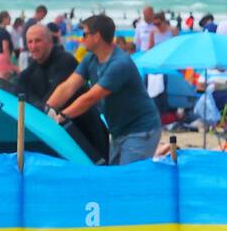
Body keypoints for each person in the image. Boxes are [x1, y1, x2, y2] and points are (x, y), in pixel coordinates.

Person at [45, 13, 162, 165]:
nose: (82, 38)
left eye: (85, 34)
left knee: (127, 180)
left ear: (97, 36)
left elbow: (91, 97)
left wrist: (62, 116)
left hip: (140, 130)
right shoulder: (90, 59)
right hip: (118, 131)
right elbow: (69, 86)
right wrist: (47, 109)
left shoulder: (119, 64)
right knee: (114, 178)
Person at [17, 23, 109, 162]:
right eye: (30, 42)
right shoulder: (29, 72)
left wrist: (40, 113)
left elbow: (55, 98)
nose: (33, 46)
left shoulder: (66, 61)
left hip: (87, 134)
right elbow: (18, 91)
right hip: (61, 139)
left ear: (49, 42)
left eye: (38, 41)